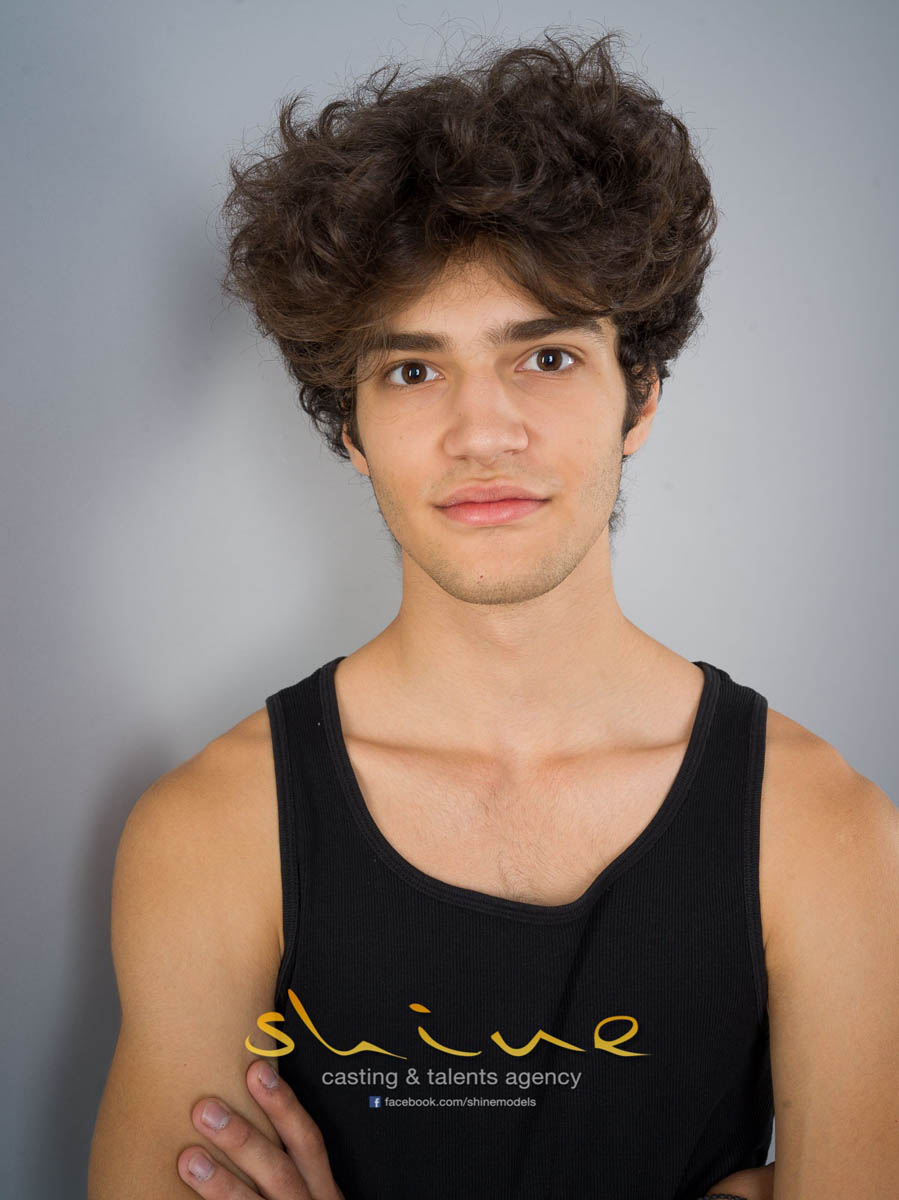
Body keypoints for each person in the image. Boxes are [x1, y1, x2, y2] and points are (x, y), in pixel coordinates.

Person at [88, 27, 898, 1200]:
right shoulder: (209, 833)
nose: (481, 431)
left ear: (638, 395)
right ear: (351, 429)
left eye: (546, 358)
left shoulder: (823, 833)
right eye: (412, 370)